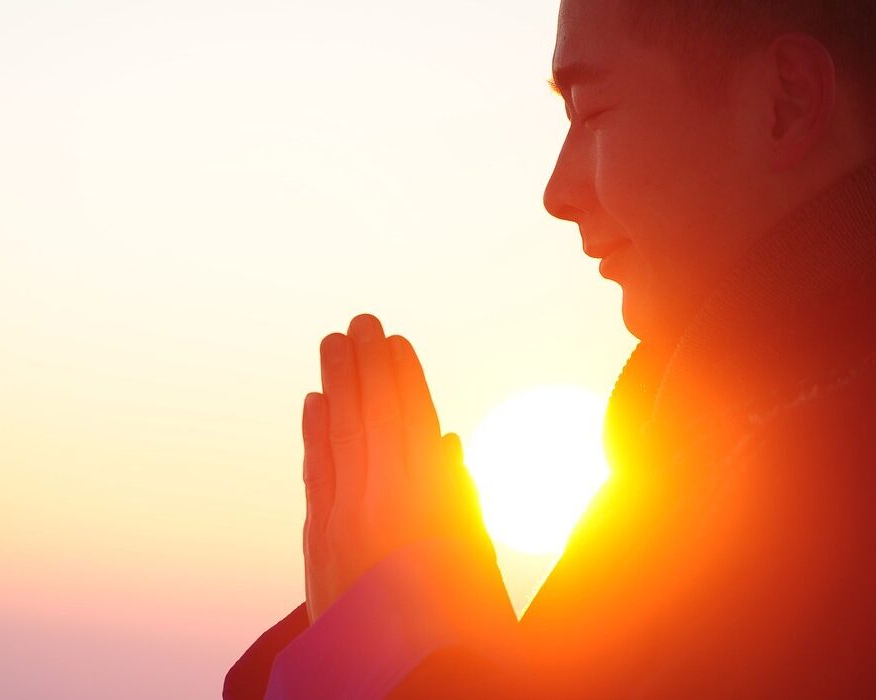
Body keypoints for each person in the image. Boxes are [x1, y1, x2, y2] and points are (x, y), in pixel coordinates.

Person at [224, 0, 876, 697]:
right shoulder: (691, 486)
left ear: (787, 102)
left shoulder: (819, 514)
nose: (556, 194)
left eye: (592, 113)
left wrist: (384, 657)